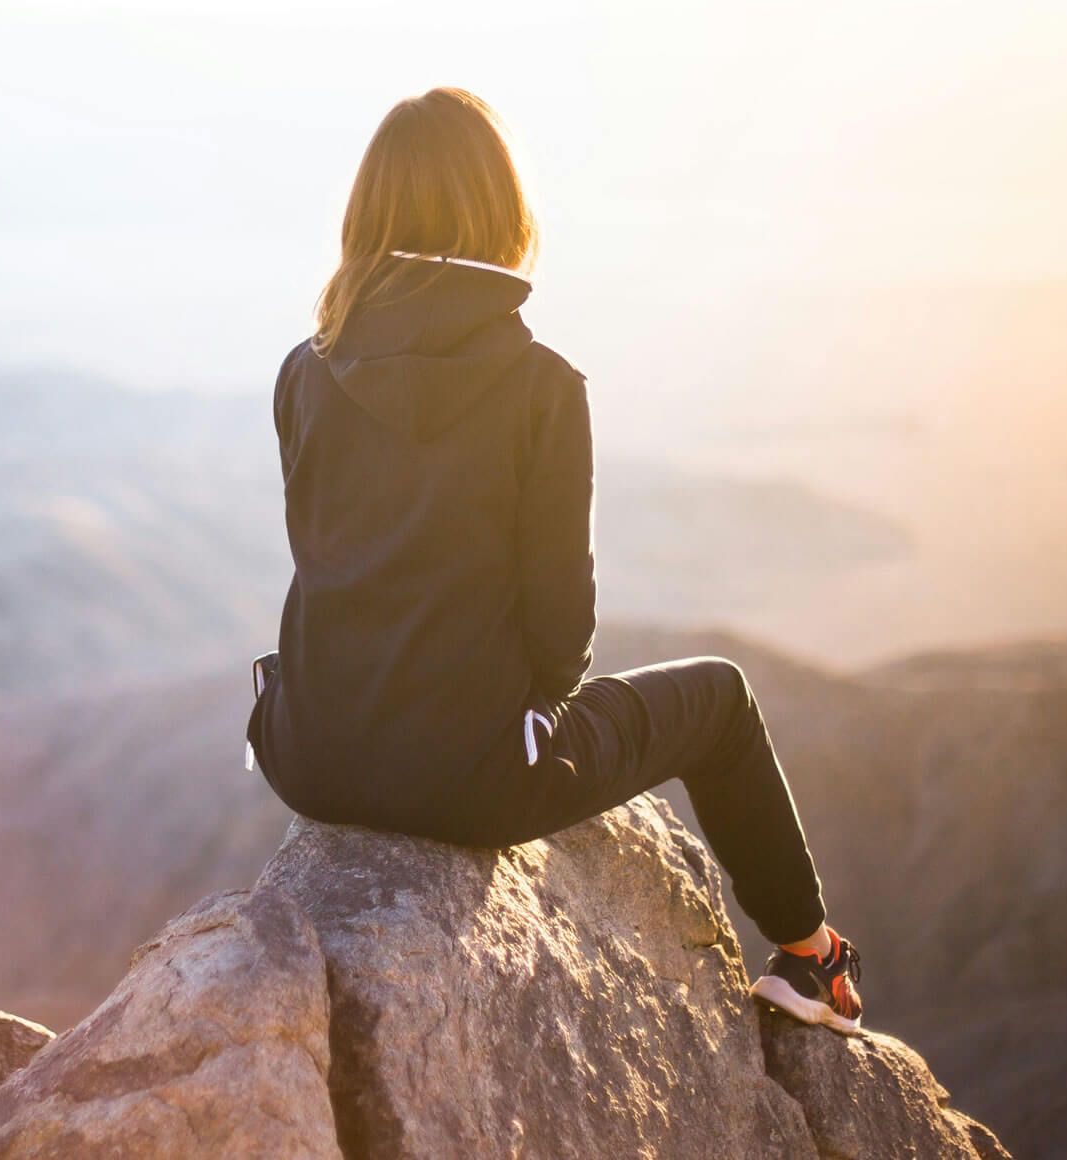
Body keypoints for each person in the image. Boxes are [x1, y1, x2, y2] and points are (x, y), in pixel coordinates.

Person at [244, 86, 863, 1033]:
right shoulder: (541, 388)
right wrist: (517, 723)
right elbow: (562, 632)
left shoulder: (304, 368)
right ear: (502, 211)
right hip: (473, 782)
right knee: (723, 699)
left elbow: (328, 560)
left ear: (367, 214)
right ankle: (812, 959)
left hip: (307, 755)